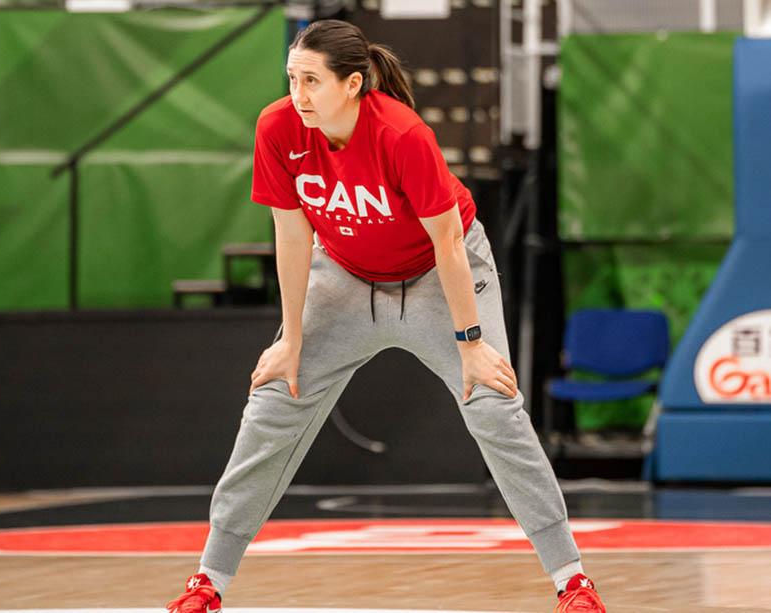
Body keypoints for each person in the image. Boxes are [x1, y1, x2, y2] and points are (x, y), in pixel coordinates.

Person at [166, 19, 606, 613]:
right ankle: (207, 583)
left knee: (495, 407)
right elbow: (292, 239)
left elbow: (449, 242)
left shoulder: (402, 134)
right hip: (344, 279)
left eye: (312, 81)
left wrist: (471, 342)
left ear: (353, 84)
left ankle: (572, 581)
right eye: (292, 78)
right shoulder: (278, 128)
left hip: (436, 277)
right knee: (273, 400)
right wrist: (291, 338)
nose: (298, 94)